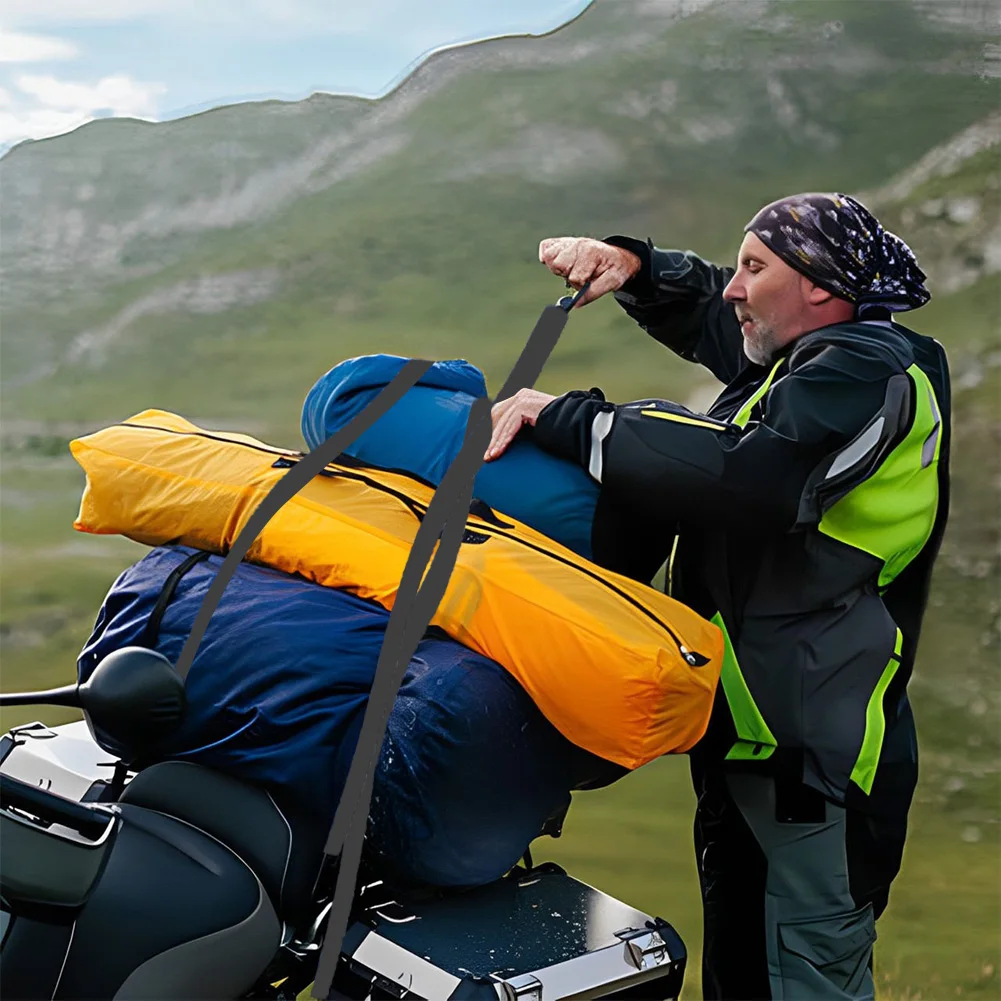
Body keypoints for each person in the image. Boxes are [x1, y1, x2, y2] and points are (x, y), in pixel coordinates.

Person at [484, 193, 951, 1000]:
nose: (734, 288)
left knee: (800, 976)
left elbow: (750, 474)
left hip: (815, 764)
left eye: (754, 267)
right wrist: (634, 267)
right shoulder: (806, 358)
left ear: (818, 285)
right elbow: (714, 313)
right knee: (742, 967)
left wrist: (574, 421)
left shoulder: (867, 369)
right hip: (753, 739)